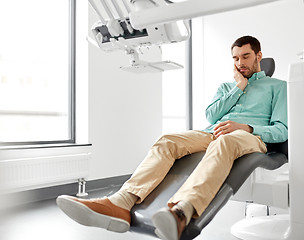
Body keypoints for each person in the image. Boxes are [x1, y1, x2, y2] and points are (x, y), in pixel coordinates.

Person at [57, 36, 287, 240]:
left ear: (259, 55)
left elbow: (281, 129)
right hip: (212, 132)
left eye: (245, 56)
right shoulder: (229, 86)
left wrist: (244, 127)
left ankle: (181, 211)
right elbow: (211, 115)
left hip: (249, 138)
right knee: (168, 140)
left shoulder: (278, 87)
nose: (240, 63)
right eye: (235, 58)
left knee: (225, 141)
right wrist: (238, 87)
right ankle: (121, 203)